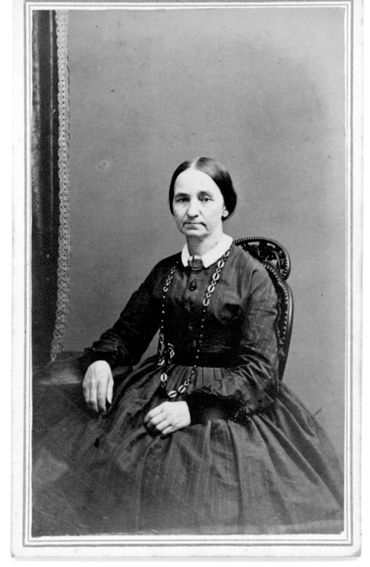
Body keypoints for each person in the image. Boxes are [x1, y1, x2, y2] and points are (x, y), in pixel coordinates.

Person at [33, 157, 343, 536]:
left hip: (227, 408)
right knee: (98, 471)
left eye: (205, 198)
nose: (192, 210)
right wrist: (100, 360)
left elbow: (260, 372)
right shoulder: (164, 272)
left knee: (207, 494)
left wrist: (194, 409)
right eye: (182, 199)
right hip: (155, 388)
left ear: (226, 205)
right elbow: (126, 335)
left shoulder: (253, 276)